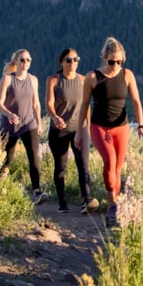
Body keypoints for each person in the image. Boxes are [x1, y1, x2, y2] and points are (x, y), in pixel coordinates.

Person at [82, 36, 143, 229]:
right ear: (104, 58)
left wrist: (141, 125)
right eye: (112, 61)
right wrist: (80, 130)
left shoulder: (127, 75)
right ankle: (113, 206)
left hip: (122, 127)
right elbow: (84, 105)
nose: (116, 65)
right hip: (99, 126)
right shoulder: (92, 77)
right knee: (109, 160)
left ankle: (115, 207)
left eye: (120, 61)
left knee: (117, 168)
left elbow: (136, 101)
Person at [45, 46, 97, 214]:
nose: (73, 62)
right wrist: (54, 117)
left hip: (79, 129)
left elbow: (86, 105)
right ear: (62, 62)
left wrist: (88, 127)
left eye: (76, 59)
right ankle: (62, 201)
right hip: (59, 130)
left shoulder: (83, 80)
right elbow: (49, 103)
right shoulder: (54, 80)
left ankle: (86, 200)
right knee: (61, 167)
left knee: (83, 165)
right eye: (69, 60)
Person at [0, 48, 46, 204]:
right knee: (7, 160)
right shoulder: (7, 79)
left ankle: (36, 192)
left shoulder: (33, 80)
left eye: (28, 60)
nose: (25, 63)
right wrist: (8, 114)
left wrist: (38, 123)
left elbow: (36, 104)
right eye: (22, 60)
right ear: (15, 62)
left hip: (28, 123)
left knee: (33, 157)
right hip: (10, 125)